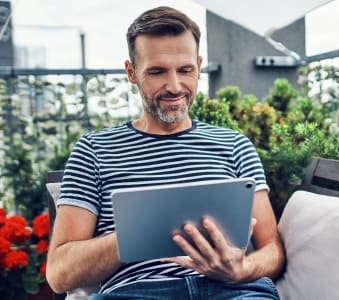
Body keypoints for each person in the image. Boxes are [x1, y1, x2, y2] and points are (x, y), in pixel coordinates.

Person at [46, 6, 285, 299]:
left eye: (185, 70)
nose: (174, 86)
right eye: (157, 72)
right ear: (131, 72)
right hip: (137, 292)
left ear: (198, 66)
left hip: (233, 291)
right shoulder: (93, 151)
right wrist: (141, 234)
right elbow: (59, 274)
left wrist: (242, 269)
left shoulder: (234, 145)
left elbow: (272, 250)